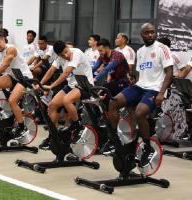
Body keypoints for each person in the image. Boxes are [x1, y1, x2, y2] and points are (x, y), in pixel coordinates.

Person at [108, 23, 173, 168]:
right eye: (147, 33)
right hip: (140, 86)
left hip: (155, 89)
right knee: (113, 102)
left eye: (152, 32)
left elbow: (169, 72)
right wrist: (132, 85)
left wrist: (162, 93)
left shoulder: (162, 48)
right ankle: (114, 140)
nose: (150, 35)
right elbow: (140, 75)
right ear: (141, 35)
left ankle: (148, 147)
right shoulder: (140, 51)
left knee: (140, 113)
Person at [39, 40, 94, 144]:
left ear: (67, 47)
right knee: (52, 105)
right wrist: (40, 84)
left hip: (85, 86)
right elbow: (51, 71)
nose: (66, 55)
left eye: (66, 51)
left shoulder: (76, 52)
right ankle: (53, 135)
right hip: (72, 86)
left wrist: (51, 86)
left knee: (66, 100)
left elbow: (66, 72)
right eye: (62, 55)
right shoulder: (59, 57)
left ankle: (78, 127)